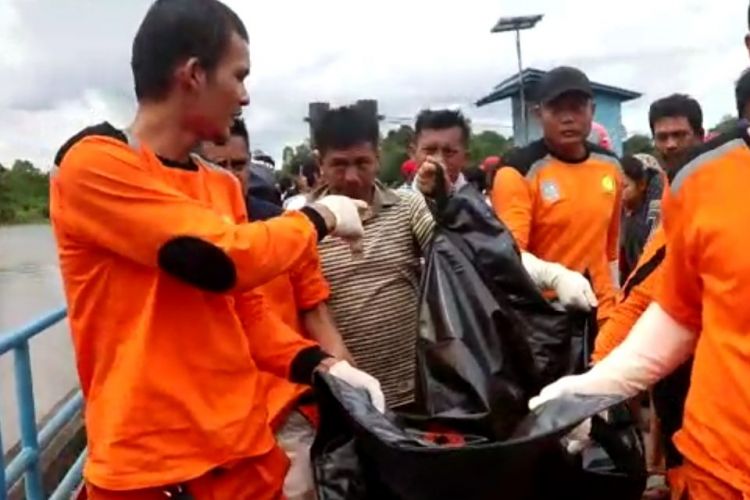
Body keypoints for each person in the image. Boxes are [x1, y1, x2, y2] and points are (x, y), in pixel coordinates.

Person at [50, 1, 382, 498]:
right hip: (150, 473)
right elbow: (218, 260)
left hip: (241, 459)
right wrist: (320, 216)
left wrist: (322, 366)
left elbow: (245, 314)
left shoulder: (221, 187)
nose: (245, 96)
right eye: (238, 75)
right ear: (194, 74)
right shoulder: (94, 165)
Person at [531, 67, 750, 500]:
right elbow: (674, 307)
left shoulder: (611, 169)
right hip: (721, 468)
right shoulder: (699, 180)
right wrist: (597, 383)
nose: (669, 144)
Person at [302, 105, 596, 409]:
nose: (351, 177)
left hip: (415, 394)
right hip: (345, 396)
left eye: (362, 163)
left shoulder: (407, 208)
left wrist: (553, 275)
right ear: (319, 162)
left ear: (378, 157)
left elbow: (473, 251)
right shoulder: (302, 226)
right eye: (339, 165)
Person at [199, 120, 352, 499]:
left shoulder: (287, 229)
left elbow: (316, 311)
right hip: (212, 422)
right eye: (220, 166)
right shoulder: (177, 244)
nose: (232, 177)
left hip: (286, 409)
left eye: (239, 164)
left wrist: (348, 378)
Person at [490, 66, 622, 323]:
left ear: (591, 112)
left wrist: (618, 301)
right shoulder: (517, 172)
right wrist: (556, 277)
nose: (568, 118)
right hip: (547, 318)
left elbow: (612, 248)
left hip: (605, 313)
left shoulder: (611, 166)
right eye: (557, 109)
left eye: (577, 108)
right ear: (539, 114)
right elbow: (509, 257)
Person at [619, 153, 664, 282]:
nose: (619, 191)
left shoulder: (653, 212)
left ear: (642, 185)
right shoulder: (621, 211)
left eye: (624, 186)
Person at [649, 94, 704, 171]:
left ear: (700, 135)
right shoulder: (658, 182)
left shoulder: (722, 178)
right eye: (662, 137)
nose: (670, 145)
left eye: (679, 135)